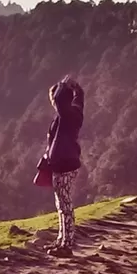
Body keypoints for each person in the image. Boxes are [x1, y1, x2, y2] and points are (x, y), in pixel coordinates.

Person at [45, 76, 84, 257]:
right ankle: (62, 240)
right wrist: (76, 89)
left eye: (54, 99)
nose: (53, 103)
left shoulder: (68, 116)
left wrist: (62, 84)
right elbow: (79, 98)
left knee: (65, 204)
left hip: (65, 165)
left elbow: (61, 101)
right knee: (61, 204)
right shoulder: (73, 113)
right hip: (61, 164)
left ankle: (67, 245)